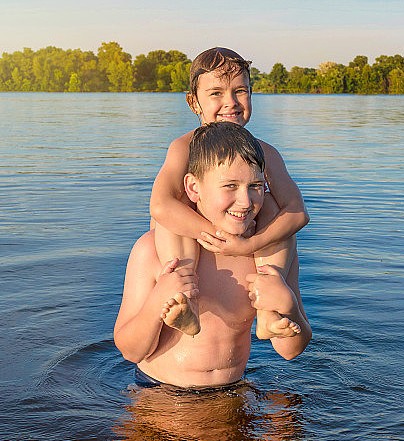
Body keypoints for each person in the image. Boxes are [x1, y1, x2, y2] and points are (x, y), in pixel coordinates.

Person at [114, 122, 311, 388]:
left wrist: (290, 309)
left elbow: (290, 350)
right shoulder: (153, 251)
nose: (245, 201)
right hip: (159, 393)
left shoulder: (268, 254)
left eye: (255, 186)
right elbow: (130, 351)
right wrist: (158, 301)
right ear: (193, 188)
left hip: (234, 390)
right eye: (230, 186)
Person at [148, 47, 309, 339]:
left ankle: (268, 312)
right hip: (191, 248)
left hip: (242, 239)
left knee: (273, 205)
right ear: (193, 102)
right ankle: (187, 301)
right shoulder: (184, 148)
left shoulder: (265, 153)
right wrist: (220, 236)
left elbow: (298, 211)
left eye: (240, 91)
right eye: (216, 93)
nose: (230, 103)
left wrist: (250, 245)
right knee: (175, 209)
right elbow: (159, 206)